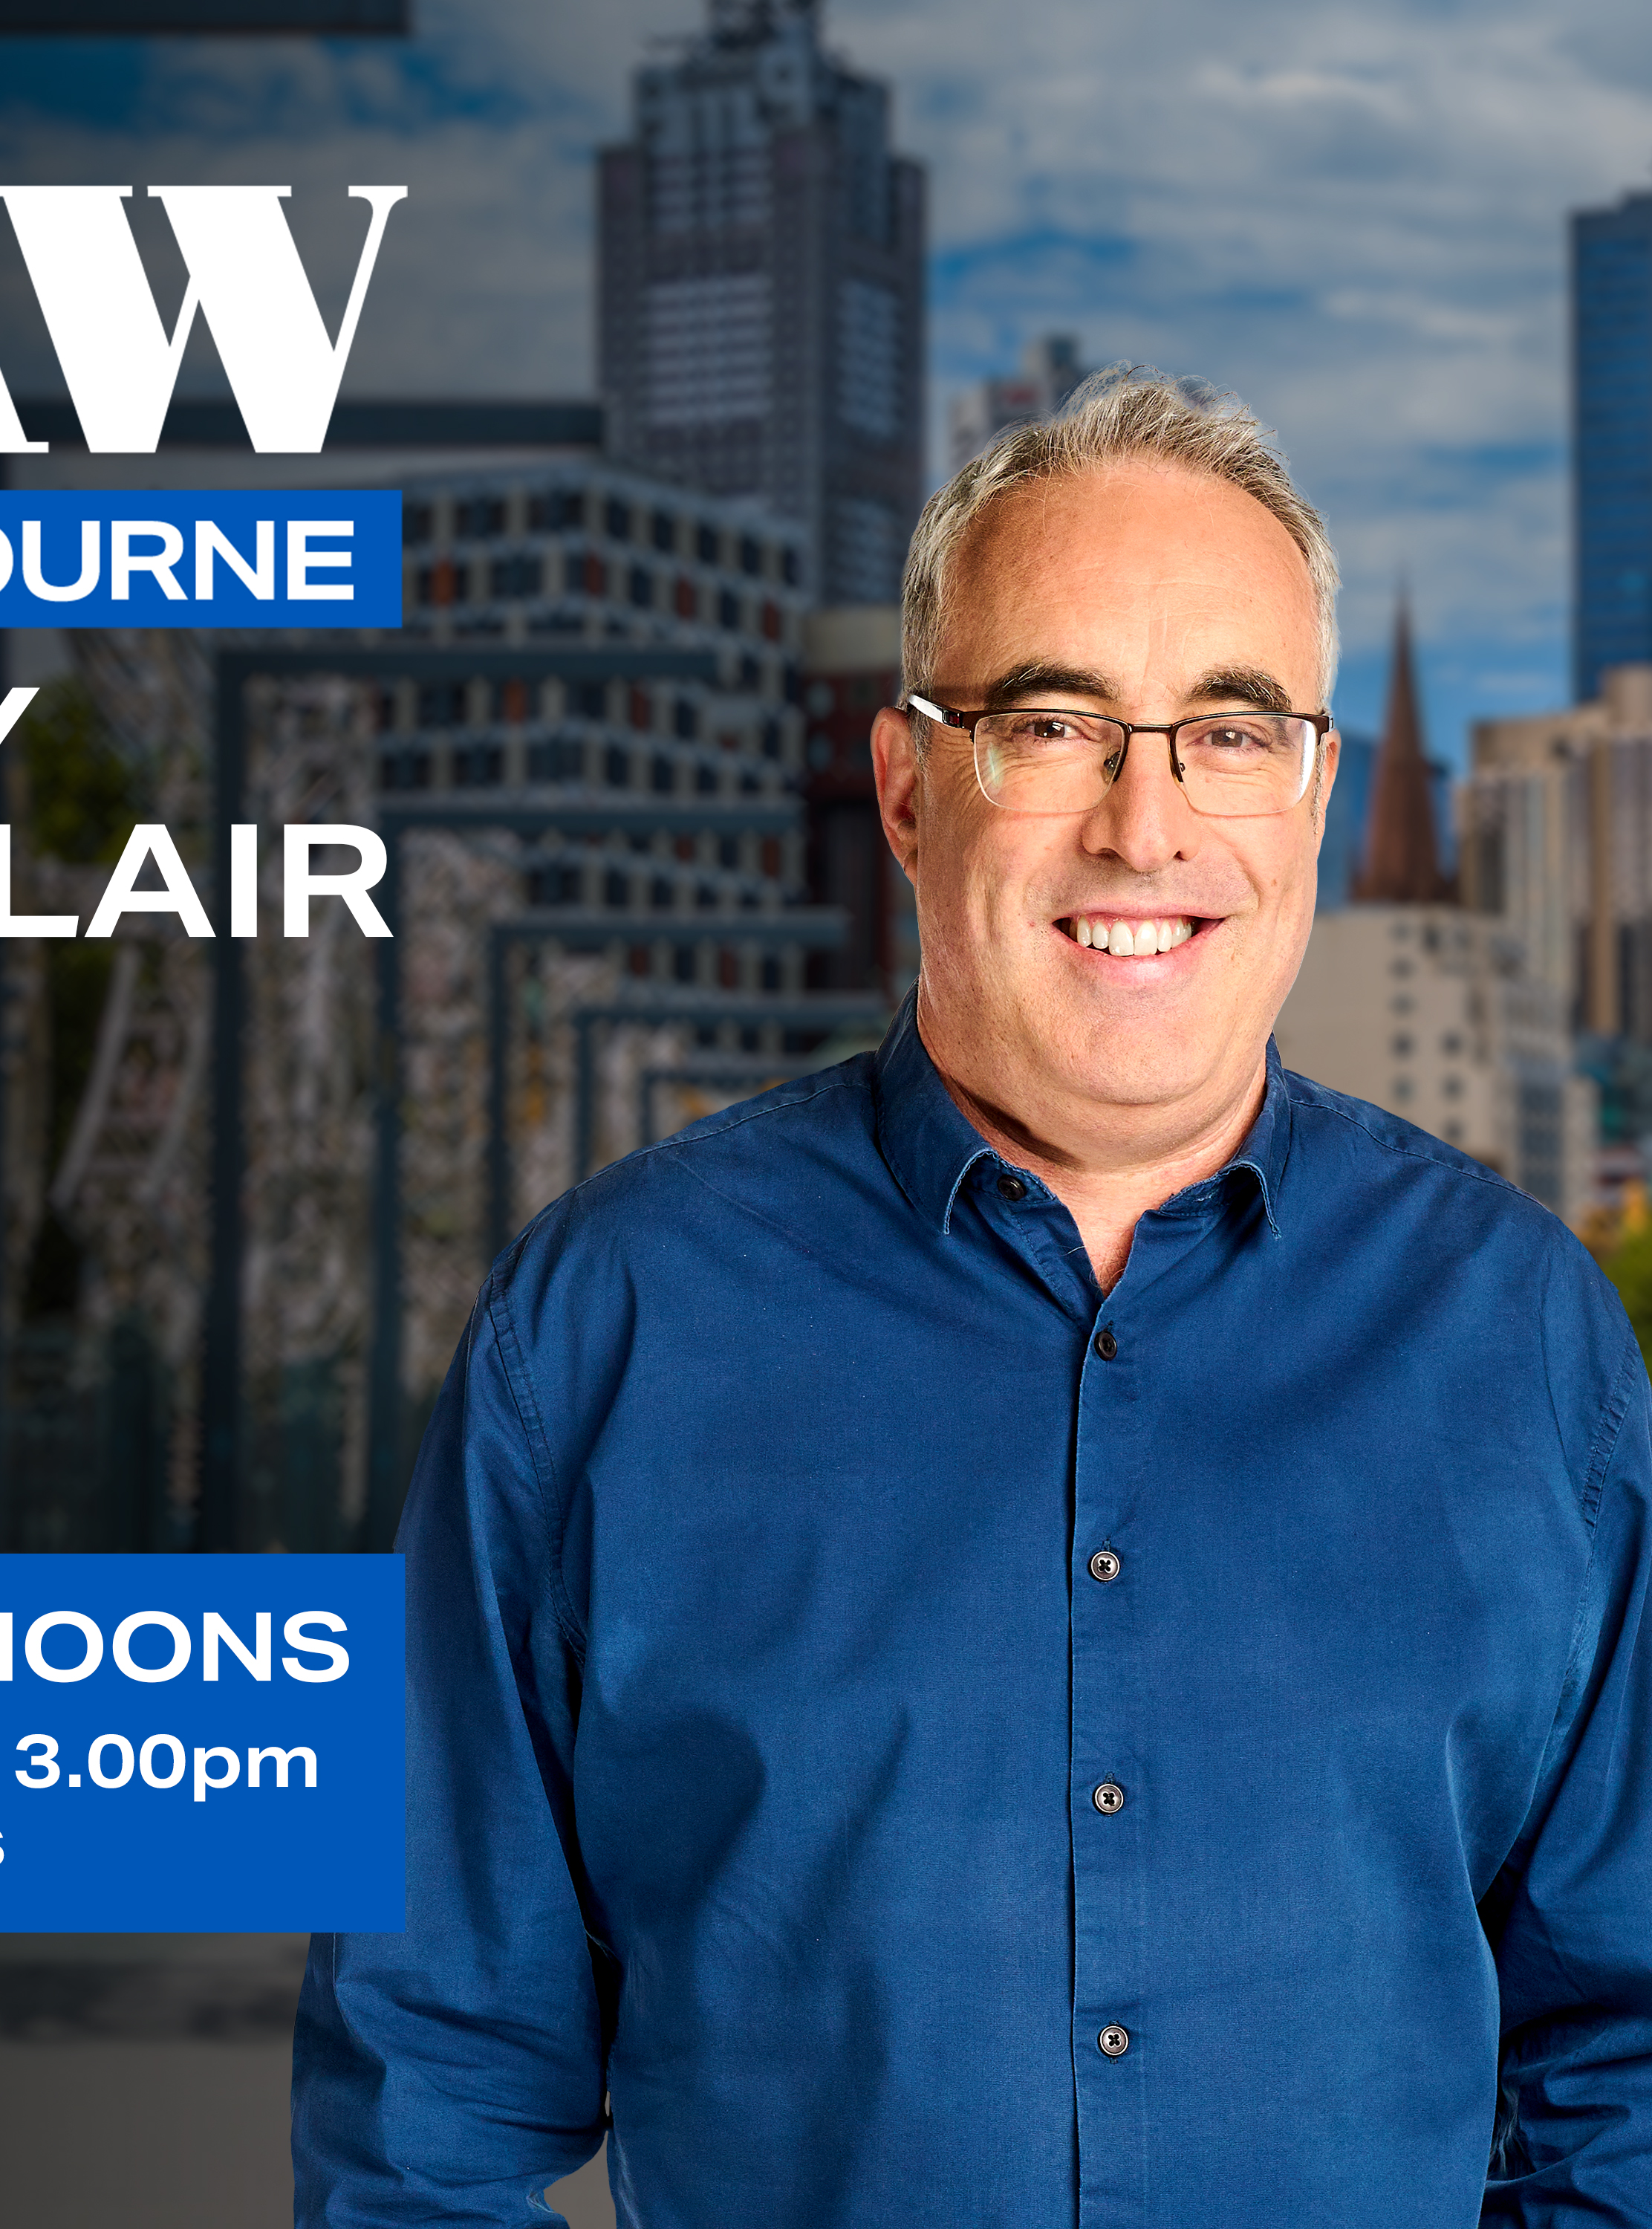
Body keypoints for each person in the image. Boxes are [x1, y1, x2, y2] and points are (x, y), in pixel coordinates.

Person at [293, 369, 1652, 2225]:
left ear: (1317, 791)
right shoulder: (604, 1333)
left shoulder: (1525, 1347)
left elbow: (1628, 2070)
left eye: (1229, 734)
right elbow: (427, 2089)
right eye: (1055, 723)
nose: (1144, 825)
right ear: (908, 786)